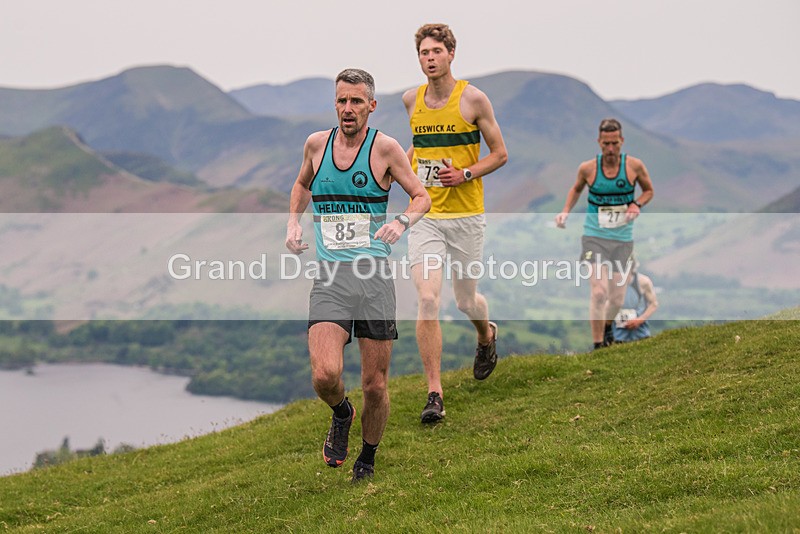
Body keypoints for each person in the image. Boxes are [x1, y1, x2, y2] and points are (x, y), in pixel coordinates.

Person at [285, 68, 430, 483]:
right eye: (341, 100)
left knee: (375, 386)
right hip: (331, 277)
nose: (348, 109)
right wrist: (293, 223)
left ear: (371, 105)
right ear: (335, 103)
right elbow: (301, 184)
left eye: (356, 101)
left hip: (374, 279)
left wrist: (400, 223)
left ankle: (367, 457)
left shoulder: (385, 149)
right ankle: (341, 414)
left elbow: (421, 196)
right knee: (325, 374)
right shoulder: (316, 144)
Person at [402, 23, 508, 424]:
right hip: (427, 214)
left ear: (450, 54)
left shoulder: (474, 100)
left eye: (435, 52)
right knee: (428, 299)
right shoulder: (411, 99)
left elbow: (499, 154)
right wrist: (403, 173)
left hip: (466, 215)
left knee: (466, 301)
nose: (429, 58)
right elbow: (417, 143)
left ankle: (486, 335)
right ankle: (435, 393)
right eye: (423, 53)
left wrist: (465, 174)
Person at [555, 118, 654, 350]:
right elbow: (576, 188)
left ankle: (608, 326)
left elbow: (649, 190)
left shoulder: (634, 167)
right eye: (606, 144)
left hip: (622, 239)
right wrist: (565, 212)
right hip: (594, 237)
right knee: (599, 292)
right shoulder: (588, 168)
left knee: (617, 299)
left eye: (615, 144)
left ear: (622, 141)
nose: (610, 149)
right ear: (599, 142)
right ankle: (599, 345)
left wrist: (636, 204)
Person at [612, 258, 659, 342]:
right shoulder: (610, 282)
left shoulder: (643, 281)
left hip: (640, 332)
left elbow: (653, 304)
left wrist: (639, 320)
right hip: (617, 334)